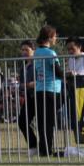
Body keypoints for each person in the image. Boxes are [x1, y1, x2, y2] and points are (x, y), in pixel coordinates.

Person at [31, 25, 62, 157]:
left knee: (41, 121)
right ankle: (47, 149)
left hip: (39, 89)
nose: (56, 38)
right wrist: (68, 74)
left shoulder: (37, 52)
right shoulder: (51, 53)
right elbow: (58, 72)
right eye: (54, 36)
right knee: (49, 122)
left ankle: (43, 148)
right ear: (49, 37)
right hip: (51, 89)